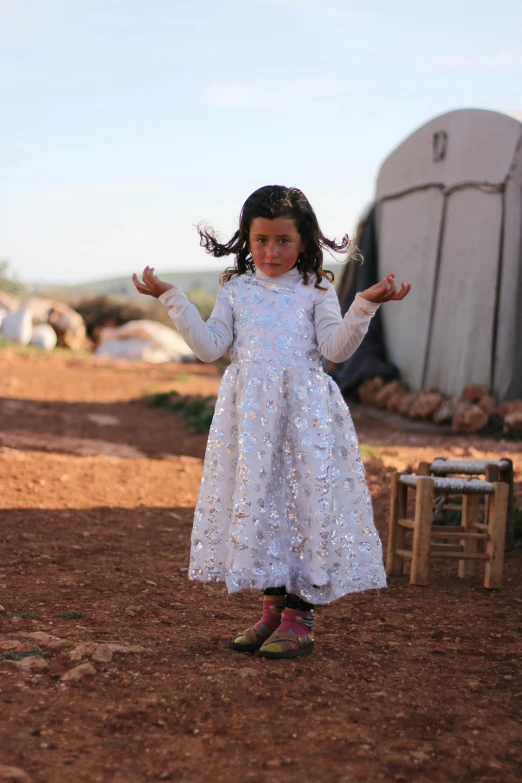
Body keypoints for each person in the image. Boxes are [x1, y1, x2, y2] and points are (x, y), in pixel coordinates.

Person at [133, 184, 410, 660]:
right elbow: (209, 346)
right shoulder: (236, 290)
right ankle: (271, 612)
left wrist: (365, 304)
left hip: (306, 417)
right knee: (262, 502)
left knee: (303, 504)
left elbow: (335, 350)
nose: (271, 251)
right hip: (252, 421)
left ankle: (300, 617)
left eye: (283, 240)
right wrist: (173, 298)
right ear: (246, 238)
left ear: (304, 241)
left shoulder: (316, 289)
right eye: (261, 240)